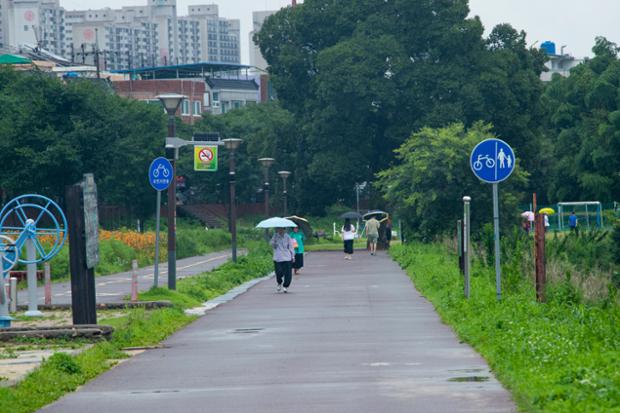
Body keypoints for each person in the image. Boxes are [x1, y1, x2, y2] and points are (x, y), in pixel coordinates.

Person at [270, 227, 295, 293]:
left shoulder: (288, 237)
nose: (280, 230)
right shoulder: (275, 236)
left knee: (288, 273)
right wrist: (274, 243)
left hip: (287, 257)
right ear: (277, 229)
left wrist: (293, 256)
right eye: (279, 229)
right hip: (277, 257)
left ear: (284, 229)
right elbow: (271, 243)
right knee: (278, 272)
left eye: (282, 229)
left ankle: (285, 286)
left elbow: (291, 247)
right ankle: (279, 282)